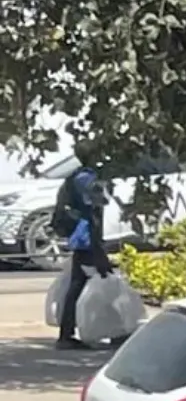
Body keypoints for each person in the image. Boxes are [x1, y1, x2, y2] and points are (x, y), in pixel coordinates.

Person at [51, 146, 115, 349]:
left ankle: (67, 333)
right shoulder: (86, 178)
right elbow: (97, 204)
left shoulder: (76, 177)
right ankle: (117, 330)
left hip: (83, 238)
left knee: (81, 283)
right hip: (87, 237)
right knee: (104, 279)